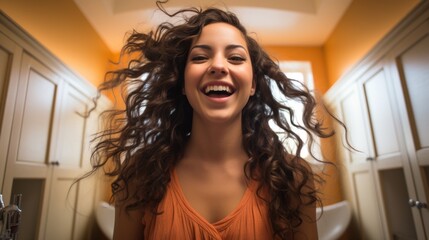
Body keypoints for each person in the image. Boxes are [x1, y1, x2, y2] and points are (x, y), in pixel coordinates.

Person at [91, 1, 340, 239]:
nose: (219, 66)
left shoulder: (293, 177)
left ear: (253, 84)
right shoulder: (140, 175)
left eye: (236, 58)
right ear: (182, 84)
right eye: (200, 57)